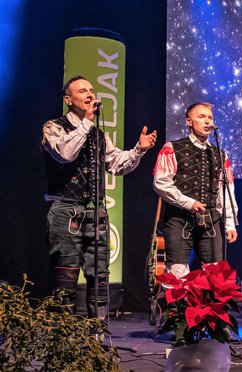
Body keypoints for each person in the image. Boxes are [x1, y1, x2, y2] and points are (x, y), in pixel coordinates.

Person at [43, 75, 157, 318]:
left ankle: (97, 337)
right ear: (68, 99)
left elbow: (116, 165)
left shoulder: (98, 134)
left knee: (100, 278)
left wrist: (139, 149)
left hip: (96, 213)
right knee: (66, 278)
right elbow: (65, 154)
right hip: (66, 212)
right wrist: (86, 124)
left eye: (92, 91)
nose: (90, 95)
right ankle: (66, 339)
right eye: (83, 91)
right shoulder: (53, 127)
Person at [153, 102, 239, 292]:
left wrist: (230, 223)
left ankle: (210, 318)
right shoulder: (173, 148)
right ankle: (178, 317)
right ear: (189, 121)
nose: (207, 121)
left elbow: (226, 190)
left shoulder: (220, 154)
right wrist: (188, 202)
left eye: (210, 117)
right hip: (179, 217)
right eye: (201, 117)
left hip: (211, 219)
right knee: (177, 271)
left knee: (216, 273)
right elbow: (161, 182)